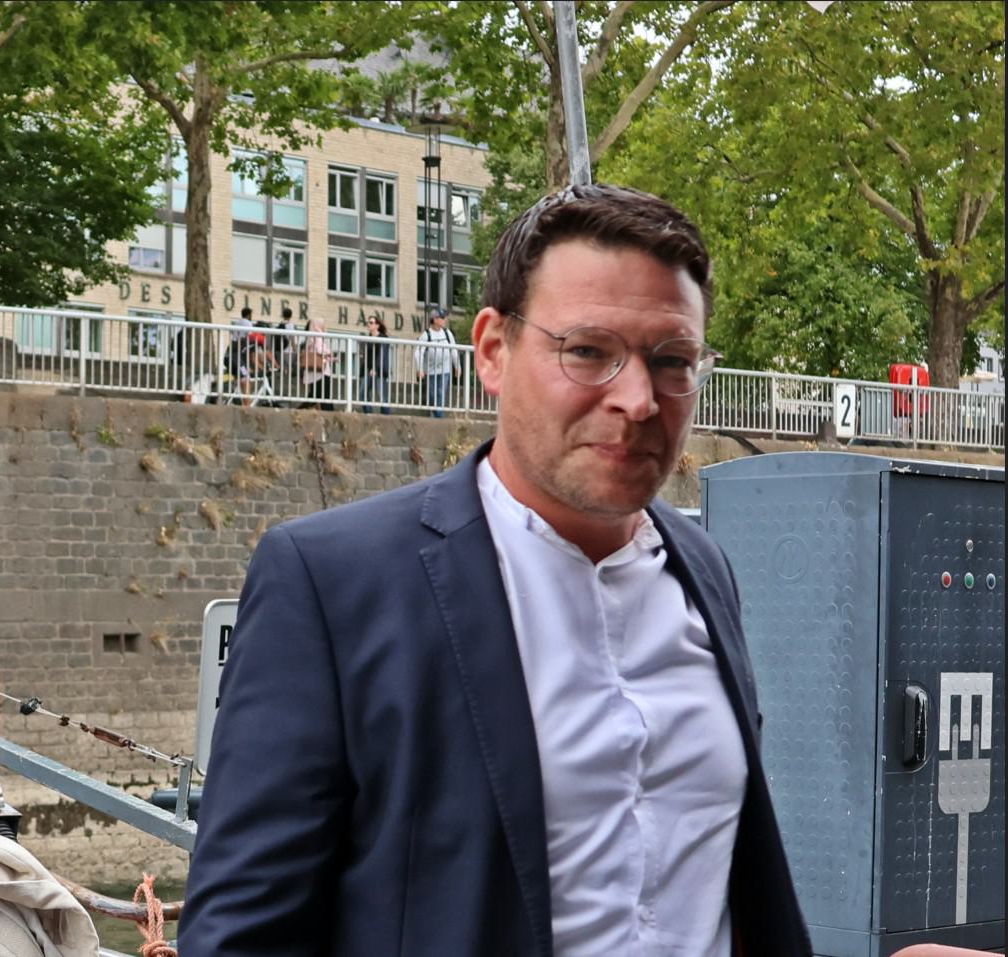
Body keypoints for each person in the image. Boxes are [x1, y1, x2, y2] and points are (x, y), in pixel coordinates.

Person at [180, 184, 812, 957]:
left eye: (672, 360)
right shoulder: (332, 583)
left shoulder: (705, 567)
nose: (639, 399)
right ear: (491, 351)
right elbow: (242, 935)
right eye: (588, 351)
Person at [414, 307, 459, 417]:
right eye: (442, 318)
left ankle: (439, 416)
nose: (444, 320)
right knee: (432, 395)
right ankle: (437, 415)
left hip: (445, 369)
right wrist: (419, 369)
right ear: (434, 319)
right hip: (430, 370)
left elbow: (454, 350)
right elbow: (418, 353)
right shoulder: (426, 334)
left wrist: (457, 366)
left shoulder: (447, 333)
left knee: (441, 393)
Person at [299, 317, 335, 411]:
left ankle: (301, 409)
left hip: (316, 371)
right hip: (322, 371)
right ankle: (330, 413)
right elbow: (320, 350)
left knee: (316, 394)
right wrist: (329, 353)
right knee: (324, 396)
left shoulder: (311, 338)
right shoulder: (318, 336)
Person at [358, 315, 392, 414]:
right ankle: (369, 413)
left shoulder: (383, 338)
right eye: (368, 322)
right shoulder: (368, 338)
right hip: (368, 369)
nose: (368, 324)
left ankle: (386, 417)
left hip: (379, 370)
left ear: (377, 325)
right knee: (362, 393)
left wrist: (376, 368)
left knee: (382, 396)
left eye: (371, 322)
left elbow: (382, 355)